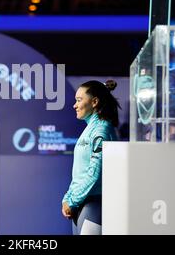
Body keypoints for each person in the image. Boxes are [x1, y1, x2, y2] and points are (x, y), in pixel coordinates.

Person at [62, 80, 120, 235]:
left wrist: (72, 200)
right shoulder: (91, 129)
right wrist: (68, 197)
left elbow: (95, 173)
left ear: (94, 102)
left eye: (79, 100)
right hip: (82, 204)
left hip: (94, 204)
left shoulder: (101, 129)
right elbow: (80, 173)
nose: (75, 105)